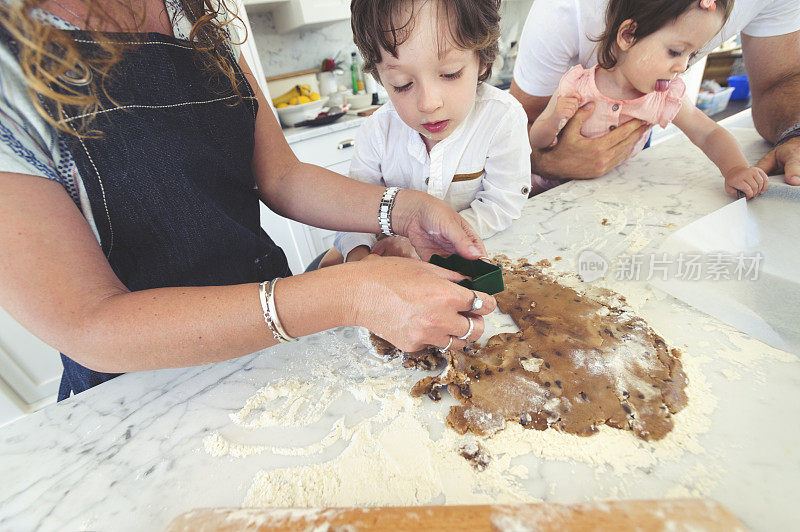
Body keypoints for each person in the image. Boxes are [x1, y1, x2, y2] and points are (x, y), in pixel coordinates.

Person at [0, 0, 497, 399]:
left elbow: (281, 177)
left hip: (272, 349)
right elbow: (90, 325)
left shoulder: (193, 16)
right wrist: (348, 292)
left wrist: (402, 209)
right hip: (143, 394)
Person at [317, 0, 530, 268]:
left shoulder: (502, 118)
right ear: (381, 78)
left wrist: (427, 239)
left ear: (482, 61)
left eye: (450, 74)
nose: (428, 103)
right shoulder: (376, 131)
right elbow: (352, 211)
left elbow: (502, 204)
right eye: (402, 85)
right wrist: (358, 254)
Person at [511, 0, 800, 187]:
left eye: (692, 53)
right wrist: (552, 121)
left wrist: (735, 169)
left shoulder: (663, 97)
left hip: (613, 189)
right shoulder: (577, 84)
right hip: (544, 191)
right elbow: (534, 138)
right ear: (627, 35)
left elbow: (708, 133)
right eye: (675, 52)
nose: (683, 66)